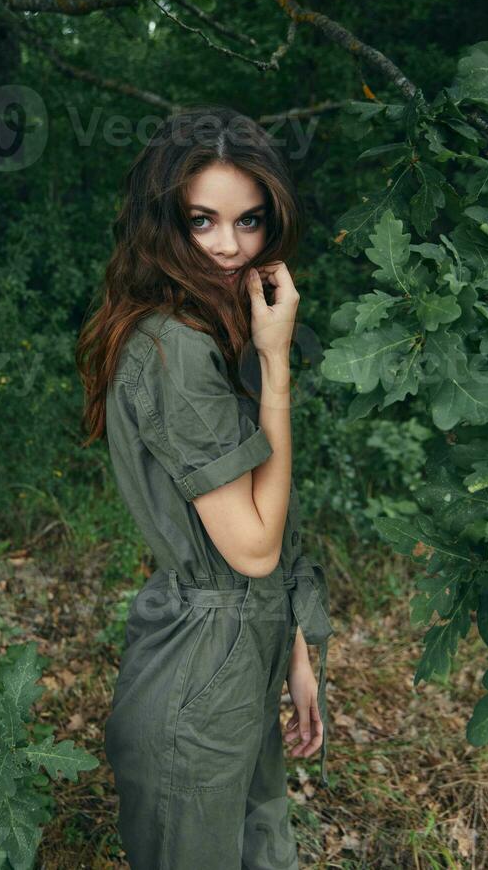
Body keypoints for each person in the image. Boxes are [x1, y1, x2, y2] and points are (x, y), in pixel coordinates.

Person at [76, 105, 334, 870]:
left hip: (233, 666)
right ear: (166, 223)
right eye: (202, 221)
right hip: (199, 680)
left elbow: (266, 521)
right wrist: (277, 368)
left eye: (250, 221)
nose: (230, 247)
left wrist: (293, 650)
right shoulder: (173, 351)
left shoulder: (212, 332)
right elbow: (252, 549)